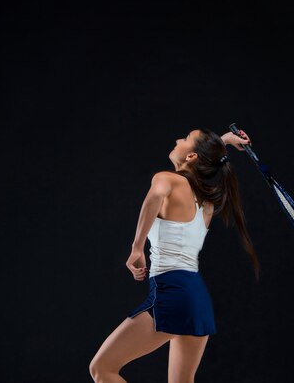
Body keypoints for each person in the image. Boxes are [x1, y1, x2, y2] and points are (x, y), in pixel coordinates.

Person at [89, 127, 259, 383]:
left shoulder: (166, 179)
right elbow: (206, 157)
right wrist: (221, 142)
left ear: (191, 156)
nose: (177, 139)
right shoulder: (207, 206)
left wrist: (137, 247)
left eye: (185, 139)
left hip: (173, 293)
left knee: (102, 368)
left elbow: (155, 196)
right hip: (198, 302)